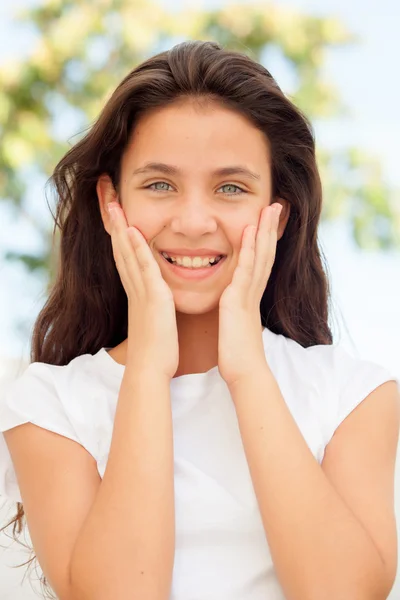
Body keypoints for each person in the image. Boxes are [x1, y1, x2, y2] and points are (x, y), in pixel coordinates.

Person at [0, 40, 399, 600]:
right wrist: (148, 369)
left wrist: (247, 371)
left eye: (230, 188)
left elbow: (341, 593)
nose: (192, 221)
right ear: (111, 203)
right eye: (159, 184)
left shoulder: (353, 395)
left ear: (277, 214)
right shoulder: (49, 406)